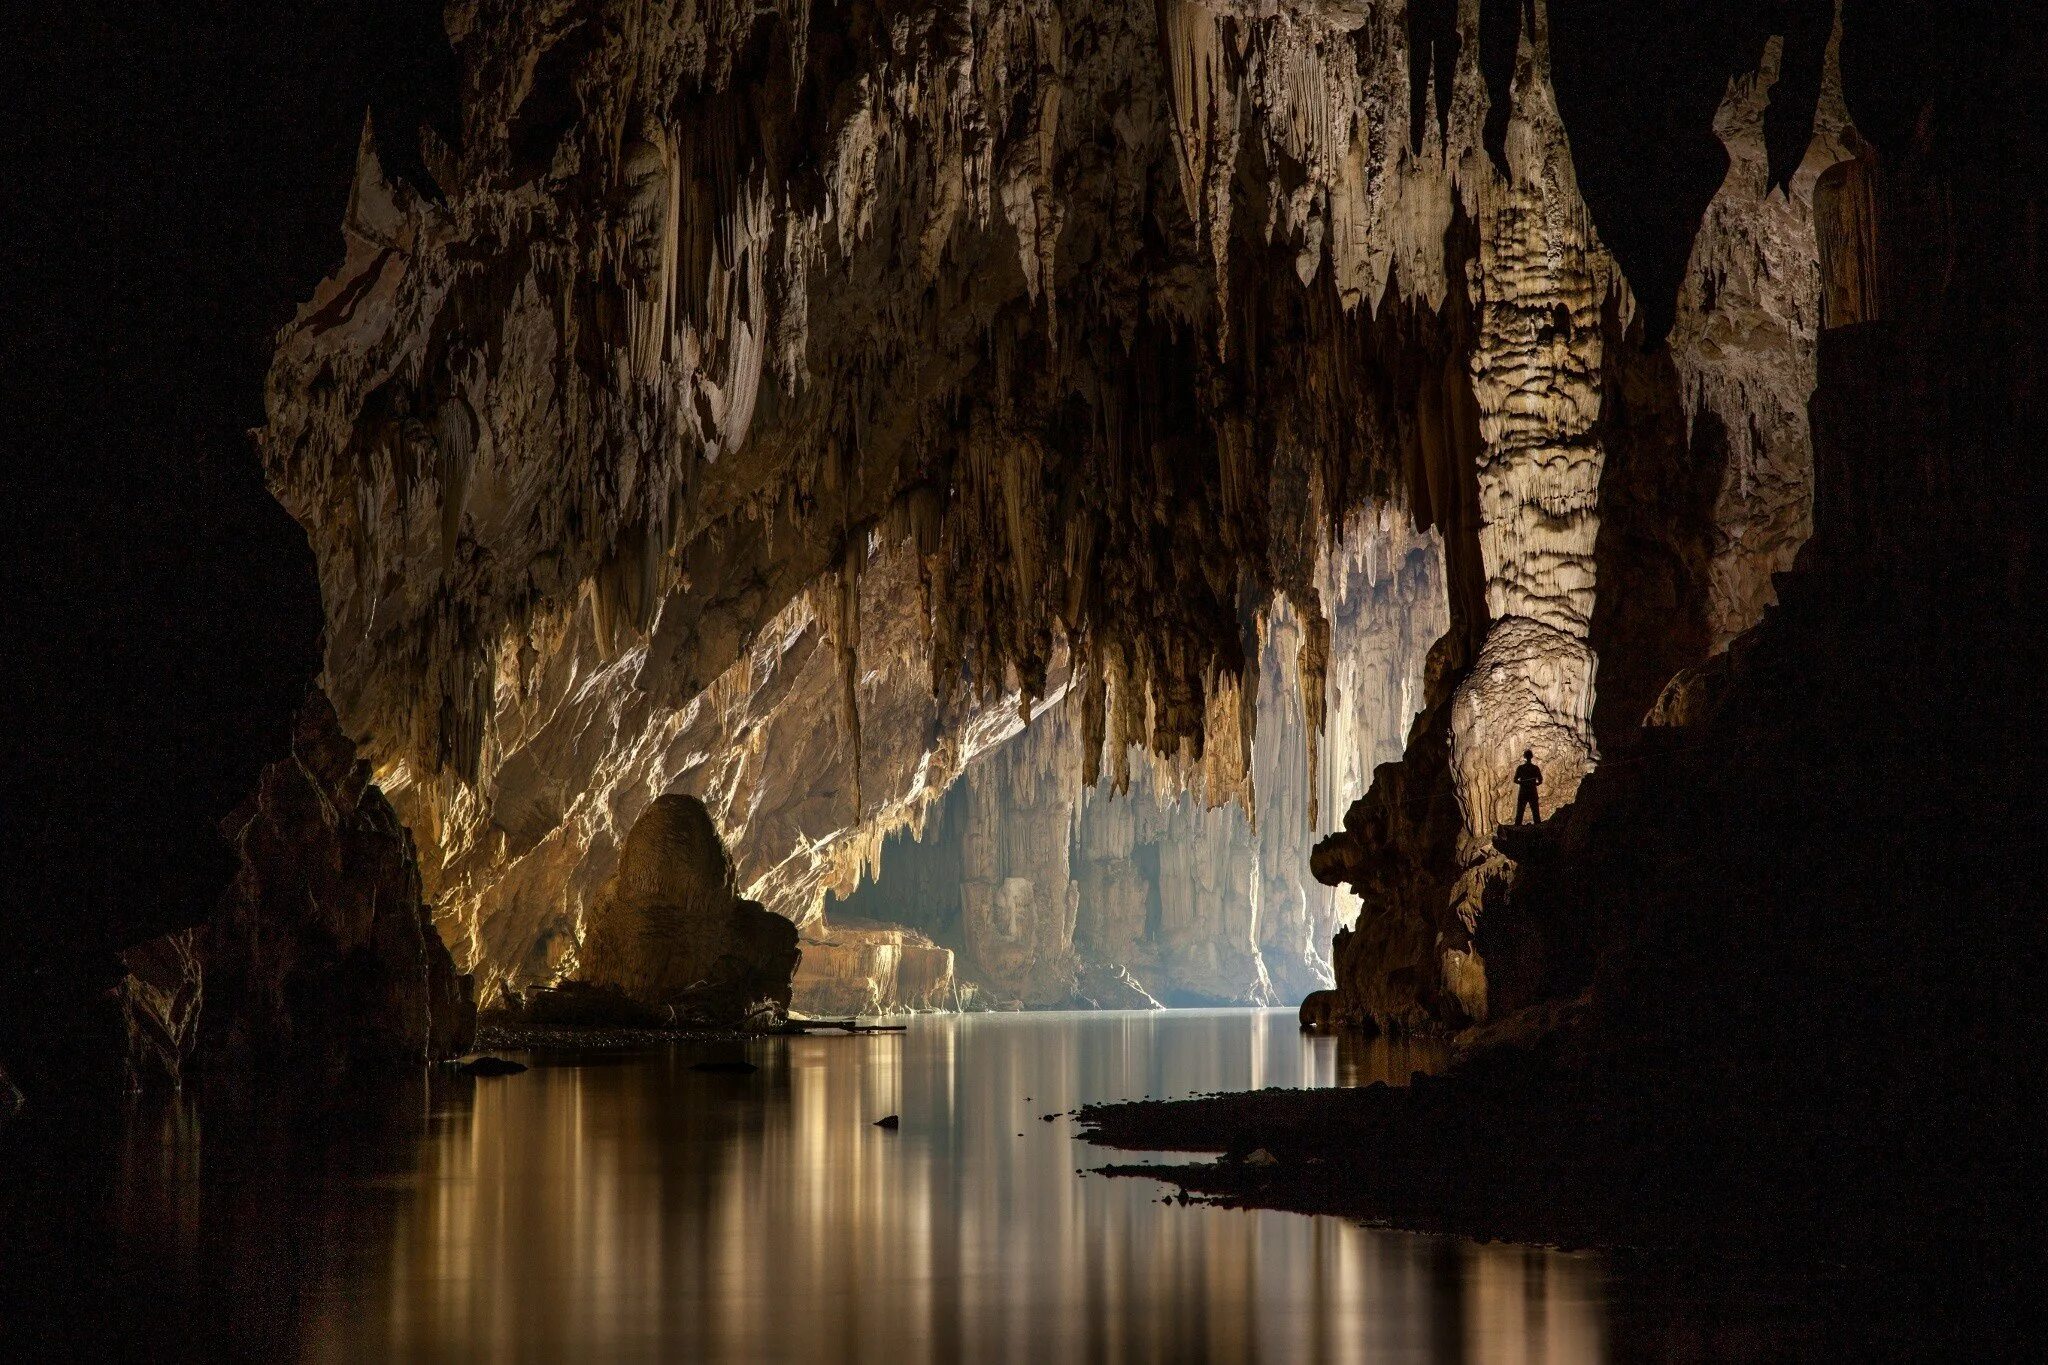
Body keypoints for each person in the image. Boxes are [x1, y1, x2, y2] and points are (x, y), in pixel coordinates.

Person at [1512, 749, 1543, 825]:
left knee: (1520, 813)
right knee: (1535, 812)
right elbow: (1540, 781)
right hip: (1532, 791)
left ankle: (1517, 831)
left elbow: (1515, 780)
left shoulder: (1520, 768)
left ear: (1524, 757)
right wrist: (1534, 783)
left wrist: (1522, 782)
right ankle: (1538, 830)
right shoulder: (1535, 768)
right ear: (1531, 757)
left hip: (1523, 791)